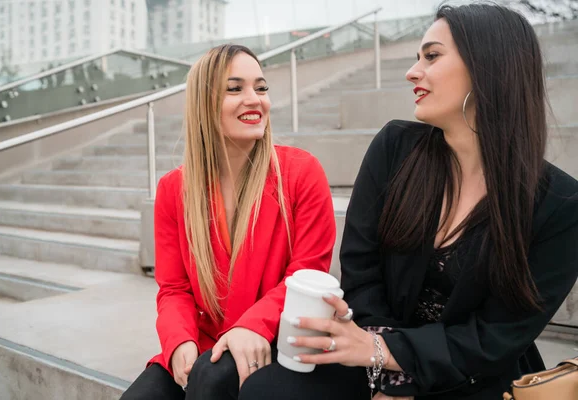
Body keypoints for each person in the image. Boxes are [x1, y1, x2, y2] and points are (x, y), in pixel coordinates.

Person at [238, 3, 578, 400]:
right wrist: (385, 372)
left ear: (489, 66)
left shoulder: (561, 204)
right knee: (268, 390)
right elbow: (362, 272)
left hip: (471, 376)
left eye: (431, 56)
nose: (412, 71)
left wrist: (392, 359)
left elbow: (497, 338)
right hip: (371, 347)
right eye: (417, 57)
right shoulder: (394, 148)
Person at [120, 44, 336, 400]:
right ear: (204, 105)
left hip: (274, 338)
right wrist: (179, 342)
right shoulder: (174, 189)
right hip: (204, 338)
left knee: (213, 378)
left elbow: (306, 274)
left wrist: (250, 327)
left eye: (261, 88)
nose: (254, 99)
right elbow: (174, 289)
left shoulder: (301, 173)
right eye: (235, 89)